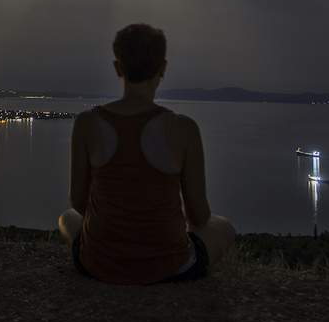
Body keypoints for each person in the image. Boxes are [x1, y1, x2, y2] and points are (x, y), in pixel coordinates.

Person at [58, 23, 235, 284]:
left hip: (98, 264)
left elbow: (78, 202)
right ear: (163, 68)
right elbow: (199, 216)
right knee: (224, 227)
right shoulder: (183, 128)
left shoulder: (87, 123)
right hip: (171, 267)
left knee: (67, 218)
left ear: (118, 68)